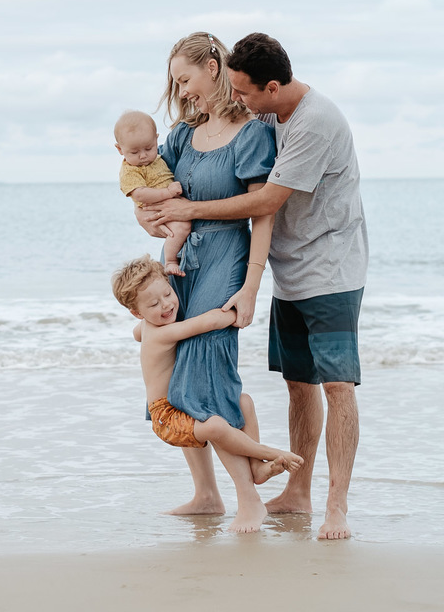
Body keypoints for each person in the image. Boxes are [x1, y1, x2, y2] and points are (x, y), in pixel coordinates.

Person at [146, 32, 369, 541]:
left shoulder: (315, 121)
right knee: (297, 384)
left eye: (244, 91)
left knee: (337, 386)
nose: (237, 97)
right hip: (290, 271)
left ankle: (336, 507)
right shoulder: (265, 112)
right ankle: (298, 491)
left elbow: (265, 202)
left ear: (270, 87)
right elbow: (171, 169)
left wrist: (189, 213)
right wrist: (151, 209)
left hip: (332, 270)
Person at [139, 31, 279, 524]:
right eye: (175, 84)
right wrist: (145, 216)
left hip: (226, 259)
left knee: (208, 368)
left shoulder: (252, 134)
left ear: (213, 68)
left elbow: (263, 213)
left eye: (185, 79)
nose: (180, 92)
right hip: (179, 263)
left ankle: (249, 499)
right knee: (178, 375)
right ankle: (206, 496)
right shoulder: (180, 136)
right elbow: (157, 194)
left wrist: (251, 286)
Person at [111, 256, 303, 532]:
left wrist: (145, 324)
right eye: (153, 305)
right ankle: (269, 452)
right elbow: (210, 321)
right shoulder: (163, 334)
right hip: (166, 416)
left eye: (167, 293)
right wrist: (237, 314)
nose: (166, 305)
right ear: (137, 312)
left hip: (182, 399)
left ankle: (255, 469)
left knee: (243, 402)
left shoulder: (148, 327)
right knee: (215, 424)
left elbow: (136, 334)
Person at [114, 111, 193, 276]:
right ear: (120, 149)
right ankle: (170, 260)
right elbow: (140, 195)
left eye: (149, 148)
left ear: (157, 139)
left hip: (169, 204)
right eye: (134, 153)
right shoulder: (130, 170)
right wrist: (168, 192)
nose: (143, 156)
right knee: (181, 227)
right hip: (155, 209)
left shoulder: (157, 158)